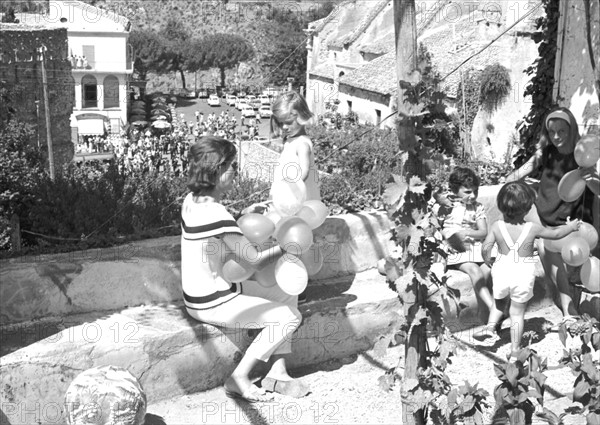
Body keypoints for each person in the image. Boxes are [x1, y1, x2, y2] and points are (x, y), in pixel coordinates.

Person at [181, 136, 309, 402]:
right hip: (212, 302)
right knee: (289, 317)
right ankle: (239, 377)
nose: (236, 172)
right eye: (232, 166)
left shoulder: (192, 200)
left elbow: (218, 229)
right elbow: (254, 260)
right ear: (216, 170)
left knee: (284, 291)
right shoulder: (216, 214)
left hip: (199, 294)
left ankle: (277, 368)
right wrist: (288, 246)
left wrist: (243, 212)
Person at [506, 107, 599, 324]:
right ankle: (569, 309)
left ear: (571, 129)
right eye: (552, 131)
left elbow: (597, 190)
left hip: (566, 223)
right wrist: (517, 183)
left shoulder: (582, 156)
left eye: (562, 131)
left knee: (546, 246)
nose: (556, 137)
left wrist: (591, 177)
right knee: (545, 244)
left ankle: (567, 308)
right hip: (541, 215)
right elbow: (514, 176)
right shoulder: (544, 153)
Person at [479, 182, 581, 360]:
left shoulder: (496, 226)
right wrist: (571, 227)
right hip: (522, 272)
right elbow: (555, 234)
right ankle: (515, 350)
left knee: (499, 302)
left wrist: (488, 258)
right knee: (517, 313)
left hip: (501, 269)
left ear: (501, 206)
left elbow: (486, 247)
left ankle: (490, 326)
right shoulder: (532, 228)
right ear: (527, 208)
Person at [433, 167, 493, 321]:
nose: (472, 196)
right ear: (454, 190)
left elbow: (483, 232)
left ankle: (483, 312)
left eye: (475, 191)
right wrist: (447, 240)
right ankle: (491, 308)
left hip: (474, 248)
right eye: (467, 192)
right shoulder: (445, 206)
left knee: (487, 270)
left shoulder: (477, 207)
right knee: (474, 270)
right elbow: (435, 228)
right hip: (454, 250)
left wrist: (466, 233)